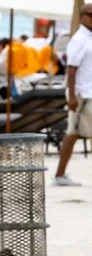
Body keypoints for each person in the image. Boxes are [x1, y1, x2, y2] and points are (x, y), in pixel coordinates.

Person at [53, 4, 92, 186]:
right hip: (82, 94)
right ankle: (59, 175)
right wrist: (72, 98)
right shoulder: (79, 39)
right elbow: (71, 70)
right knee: (73, 133)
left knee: (74, 133)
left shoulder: (88, 38)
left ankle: (60, 174)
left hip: (87, 92)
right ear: (83, 16)